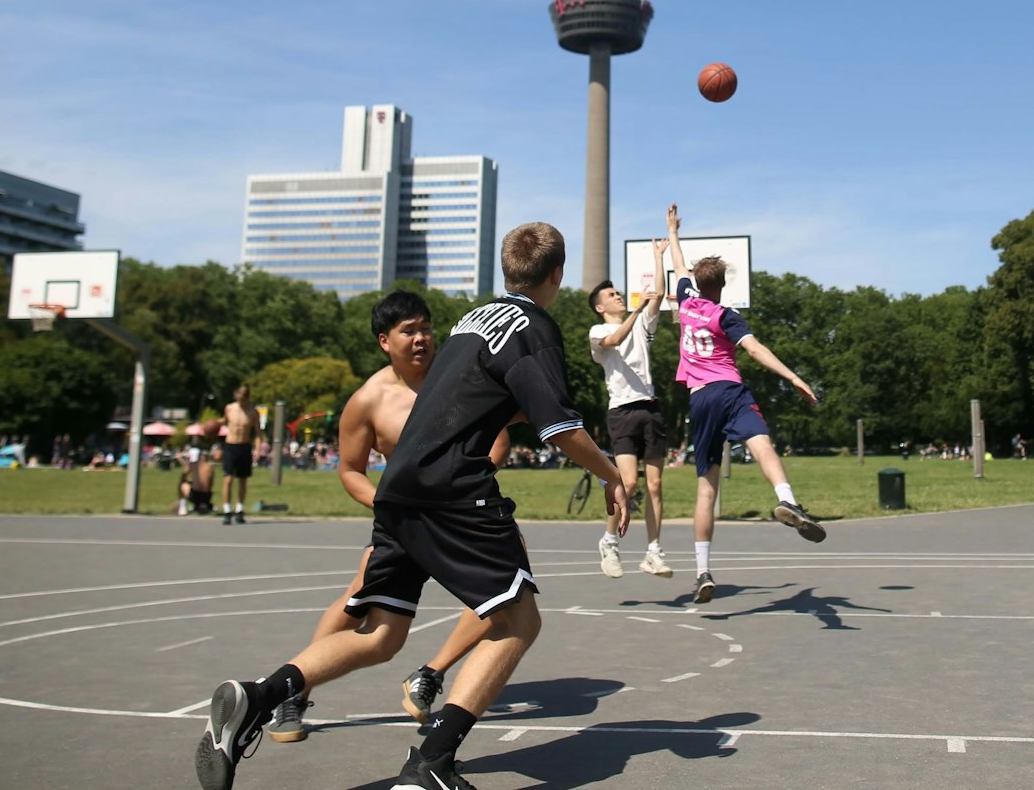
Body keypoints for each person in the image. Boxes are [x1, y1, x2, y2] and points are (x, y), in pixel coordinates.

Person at [195, 222, 629, 790]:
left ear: (506, 271)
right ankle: (431, 763)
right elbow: (560, 428)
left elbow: (477, 400)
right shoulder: (534, 328)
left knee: (380, 635)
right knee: (518, 620)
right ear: (558, 274)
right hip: (452, 491)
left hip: (398, 490)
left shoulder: (472, 321)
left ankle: (259, 696)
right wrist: (613, 476)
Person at [265, 289, 522, 744]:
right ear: (385, 341)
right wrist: (388, 502)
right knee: (359, 605)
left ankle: (429, 674)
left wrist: (462, 481)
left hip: (460, 513)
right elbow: (350, 470)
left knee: (507, 591)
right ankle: (294, 691)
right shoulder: (368, 399)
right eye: (409, 331)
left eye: (426, 327)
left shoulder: (462, 379)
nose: (422, 338)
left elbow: (499, 438)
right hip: (403, 521)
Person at [664, 203, 825, 606]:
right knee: (763, 444)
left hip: (699, 400)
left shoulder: (686, 303)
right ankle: (786, 498)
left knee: (706, 489)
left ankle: (702, 571)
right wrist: (793, 377)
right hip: (729, 391)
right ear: (723, 285)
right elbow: (754, 350)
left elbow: (680, 265)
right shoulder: (725, 315)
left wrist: (672, 232)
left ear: (698, 284)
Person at [588, 237, 673, 579]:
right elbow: (615, 340)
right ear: (600, 306)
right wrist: (636, 309)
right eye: (611, 295)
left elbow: (661, 294)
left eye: (618, 293)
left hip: (649, 408)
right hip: (622, 411)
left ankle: (653, 550)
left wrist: (658, 258)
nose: (618, 296)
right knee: (629, 483)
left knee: (654, 485)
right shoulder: (599, 330)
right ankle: (610, 542)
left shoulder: (641, 322)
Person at [220, 384, 258, 524]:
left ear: (247, 398)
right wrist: (212, 425)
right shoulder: (229, 408)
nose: (242, 402)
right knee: (228, 479)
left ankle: (239, 510)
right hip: (230, 445)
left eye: (244, 399)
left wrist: (258, 449)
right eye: (239, 398)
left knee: (242, 480)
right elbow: (224, 421)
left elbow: (258, 433)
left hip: (245, 446)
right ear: (236, 396)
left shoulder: (253, 412)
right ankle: (226, 510)